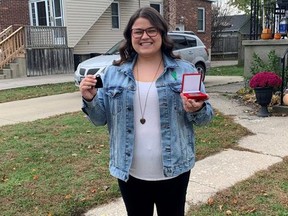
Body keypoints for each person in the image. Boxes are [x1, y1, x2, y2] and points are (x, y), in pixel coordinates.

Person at [79, 6, 214, 216]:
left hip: (174, 170)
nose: (145, 36)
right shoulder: (113, 73)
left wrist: (197, 109)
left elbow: (205, 119)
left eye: (152, 30)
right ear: (130, 36)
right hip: (130, 172)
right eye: (138, 31)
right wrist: (90, 99)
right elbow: (99, 119)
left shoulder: (184, 71)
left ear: (161, 33)